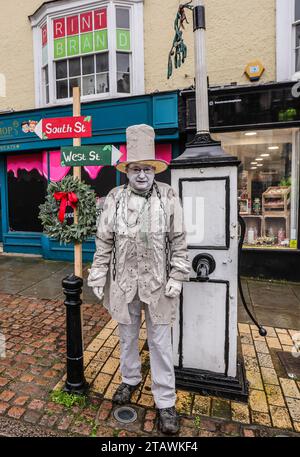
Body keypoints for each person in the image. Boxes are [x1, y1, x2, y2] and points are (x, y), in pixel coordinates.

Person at [88, 124, 190, 435]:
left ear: (154, 170)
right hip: (124, 284)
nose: (142, 174)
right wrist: (98, 271)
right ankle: (129, 380)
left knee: (159, 343)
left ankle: (165, 401)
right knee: (127, 337)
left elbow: (180, 239)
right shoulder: (115, 198)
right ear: (127, 171)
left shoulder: (168, 195)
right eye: (136, 169)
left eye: (147, 168)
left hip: (158, 284)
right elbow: (104, 240)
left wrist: (178, 274)